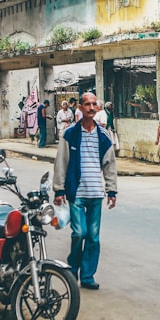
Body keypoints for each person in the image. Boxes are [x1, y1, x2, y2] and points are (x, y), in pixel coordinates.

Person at [53, 92, 118, 290]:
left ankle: (88, 276)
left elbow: (110, 165)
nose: (90, 108)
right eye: (87, 104)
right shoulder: (70, 134)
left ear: (97, 108)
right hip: (77, 193)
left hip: (96, 194)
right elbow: (61, 162)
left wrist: (111, 190)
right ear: (79, 108)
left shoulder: (104, 136)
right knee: (79, 233)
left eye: (93, 104)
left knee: (93, 236)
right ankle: (73, 269)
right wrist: (59, 189)